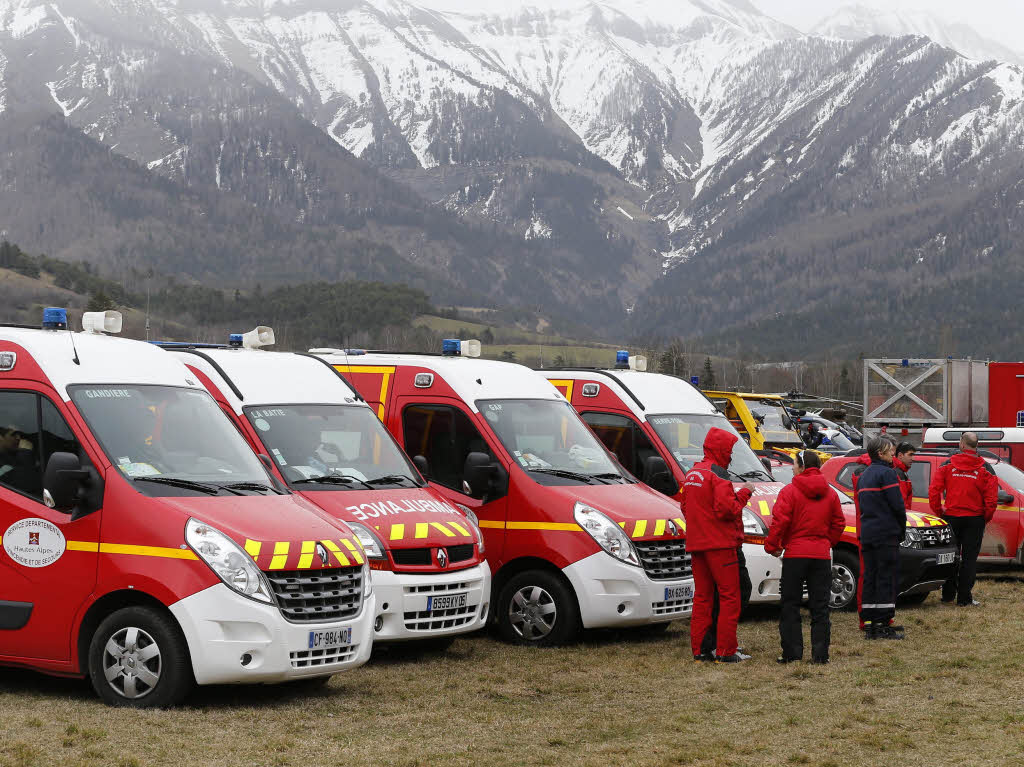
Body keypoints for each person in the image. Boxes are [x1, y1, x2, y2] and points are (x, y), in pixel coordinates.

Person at [681, 428, 753, 663]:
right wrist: (745, 493)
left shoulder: (692, 473)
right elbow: (727, 509)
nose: (731, 455)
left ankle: (700, 649)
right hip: (720, 545)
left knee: (702, 597)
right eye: (729, 450)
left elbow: (684, 507)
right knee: (730, 597)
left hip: (697, 544)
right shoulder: (718, 474)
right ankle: (725, 651)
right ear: (722, 450)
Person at [766, 450, 845, 663]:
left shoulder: (789, 491)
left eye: (794, 464)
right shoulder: (830, 493)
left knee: (790, 604)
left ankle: (792, 654)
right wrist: (827, 542)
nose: (792, 467)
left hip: (795, 554)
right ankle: (820, 656)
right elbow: (839, 523)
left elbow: (780, 521)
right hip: (821, 555)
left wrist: (772, 545)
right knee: (820, 607)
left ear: (801, 466)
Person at [928, 432, 998, 607]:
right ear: (976, 445)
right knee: (969, 559)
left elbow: (934, 491)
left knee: (951, 556)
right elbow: (991, 500)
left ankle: (948, 595)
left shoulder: (948, 464)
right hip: (974, 519)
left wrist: (940, 512)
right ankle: (964, 598)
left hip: (951, 517)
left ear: (962, 444)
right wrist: (984, 518)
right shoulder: (985, 468)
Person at [856, 436, 907, 639]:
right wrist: (901, 528)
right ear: (880, 453)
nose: (893, 453)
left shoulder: (864, 476)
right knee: (886, 578)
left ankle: (869, 622)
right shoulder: (887, 474)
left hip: (868, 533)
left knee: (871, 577)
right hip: (885, 534)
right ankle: (883, 624)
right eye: (890, 450)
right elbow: (897, 505)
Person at [893, 442, 916, 510]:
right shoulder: (897, 473)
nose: (913, 458)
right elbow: (901, 503)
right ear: (900, 455)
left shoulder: (901, 472)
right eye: (910, 455)